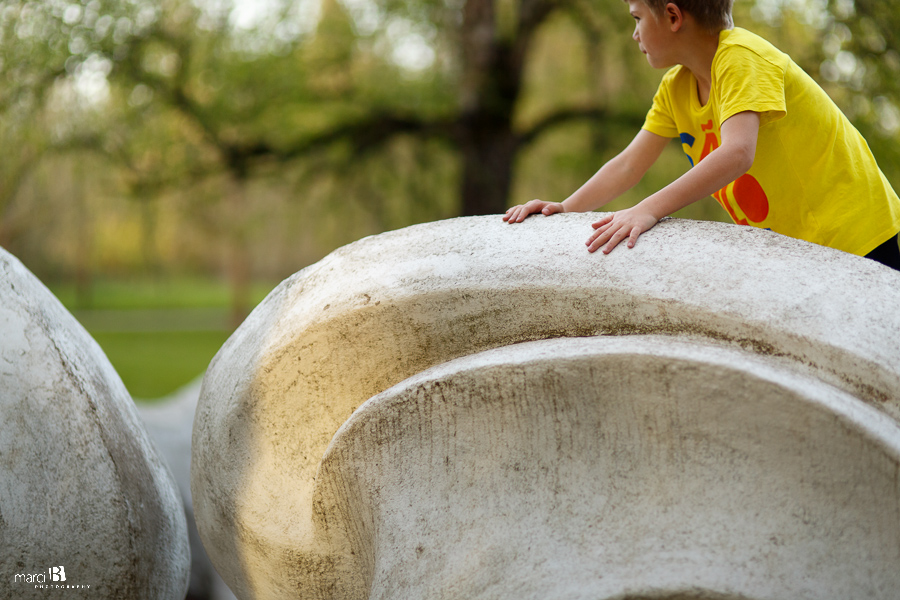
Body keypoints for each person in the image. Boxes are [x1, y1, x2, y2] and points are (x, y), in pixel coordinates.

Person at [503, 0, 900, 272]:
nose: (634, 34)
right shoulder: (676, 88)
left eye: (637, 18)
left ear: (673, 16)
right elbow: (628, 165)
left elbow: (738, 153)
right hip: (804, 254)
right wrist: (565, 209)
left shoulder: (741, 57)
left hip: (860, 238)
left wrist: (648, 209)